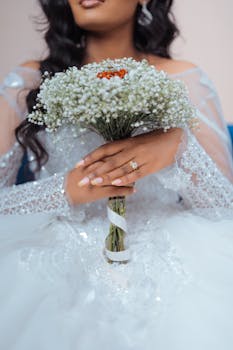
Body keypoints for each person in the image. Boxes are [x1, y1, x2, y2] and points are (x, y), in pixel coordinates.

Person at [0, 0, 233, 349]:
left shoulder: (183, 77)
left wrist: (178, 148)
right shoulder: (29, 81)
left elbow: (225, 208)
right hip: (59, 257)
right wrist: (65, 191)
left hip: (169, 255)